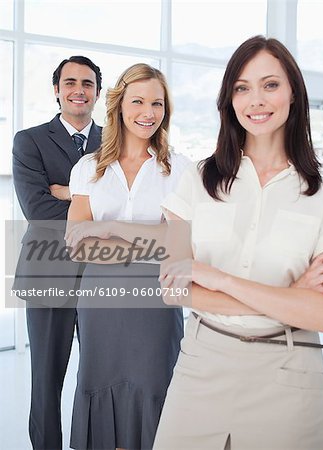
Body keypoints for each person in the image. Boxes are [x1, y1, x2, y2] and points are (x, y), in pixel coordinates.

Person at [153, 36, 323, 449]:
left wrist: (219, 280)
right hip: (202, 367)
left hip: (289, 376)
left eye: (270, 84)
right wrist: (289, 299)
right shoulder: (196, 180)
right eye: (242, 87)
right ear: (229, 99)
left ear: (293, 93)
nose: (257, 99)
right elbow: (174, 288)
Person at [65, 63, 190, 450]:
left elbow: (179, 247)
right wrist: (153, 237)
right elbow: (77, 244)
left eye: (157, 103)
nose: (147, 112)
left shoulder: (180, 169)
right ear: (119, 106)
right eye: (137, 101)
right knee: (100, 388)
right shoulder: (88, 168)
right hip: (100, 303)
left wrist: (110, 228)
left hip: (157, 302)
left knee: (155, 387)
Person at [12, 55, 102, 450]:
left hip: (105, 276)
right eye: (70, 82)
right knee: (47, 380)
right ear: (57, 90)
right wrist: (100, 206)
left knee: (101, 376)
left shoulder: (117, 140)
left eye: (87, 83)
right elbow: (38, 210)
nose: (78, 90)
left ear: (97, 92)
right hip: (48, 274)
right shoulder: (29, 140)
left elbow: (132, 207)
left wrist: (69, 193)